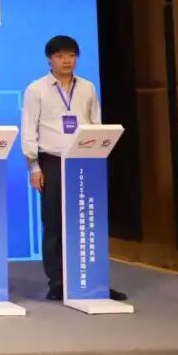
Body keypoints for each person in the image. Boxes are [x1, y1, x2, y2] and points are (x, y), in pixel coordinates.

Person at [22, 35, 127, 302]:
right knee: (54, 223)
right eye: (60, 56)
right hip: (53, 160)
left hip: (86, 160)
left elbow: (96, 123)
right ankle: (57, 281)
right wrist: (34, 167)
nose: (66, 60)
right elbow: (29, 130)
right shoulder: (36, 89)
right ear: (49, 59)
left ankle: (94, 279)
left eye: (71, 55)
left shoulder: (88, 87)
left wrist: (98, 153)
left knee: (89, 221)